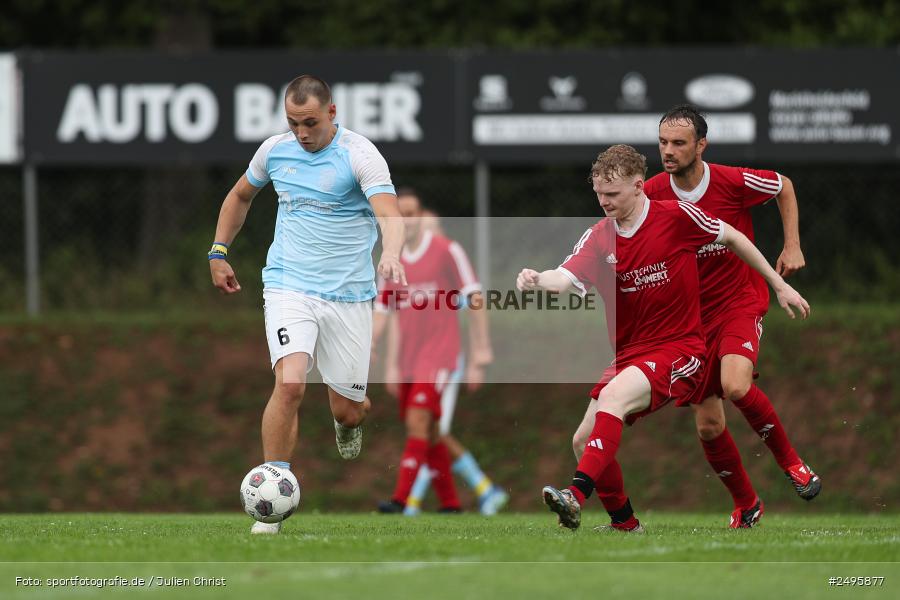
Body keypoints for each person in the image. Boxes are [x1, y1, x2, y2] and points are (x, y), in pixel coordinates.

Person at [518, 144, 809, 533]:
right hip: (630, 354)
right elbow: (564, 276)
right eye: (599, 195)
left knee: (615, 398)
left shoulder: (676, 216)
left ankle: (575, 494)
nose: (604, 202)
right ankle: (625, 523)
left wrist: (778, 286)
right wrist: (538, 277)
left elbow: (734, 237)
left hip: (680, 349)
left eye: (613, 195)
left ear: (639, 187)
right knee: (582, 439)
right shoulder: (600, 237)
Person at [208, 74, 405, 535]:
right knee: (291, 383)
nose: (301, 133)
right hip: (288, 286)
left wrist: (391, 252)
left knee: (346, 409)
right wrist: (218, 251)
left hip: (349, 297)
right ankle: (271, 501)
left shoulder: (360, 155)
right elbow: (240, 195)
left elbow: (389, 214)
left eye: (310, 123)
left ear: (332, 114)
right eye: (294, 123)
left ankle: (350, 418)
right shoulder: (275, 151)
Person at [641, 104, 820, 526]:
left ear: (701, 145)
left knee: (735, 383)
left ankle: (793, 464)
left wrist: (792, 244)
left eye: (679, 143)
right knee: (707, 425)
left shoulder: (732, 181)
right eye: (663, 142)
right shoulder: (650, 194)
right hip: (689, 319)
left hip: (739, 299)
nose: (668, 151)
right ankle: (747, 504)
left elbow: (784, 186)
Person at [373, 189, 504, 515]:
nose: (408, 220)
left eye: (412, 213)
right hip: (409, 361)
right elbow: (384, 313)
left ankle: (403, 501)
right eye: (399, 215)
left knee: (420, 423)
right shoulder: (392, 261)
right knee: (432, 431)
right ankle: (452, 502)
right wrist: (372, 347)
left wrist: (481, 353)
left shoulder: (447, 251)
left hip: (442, 356)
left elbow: (475, 299)